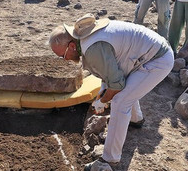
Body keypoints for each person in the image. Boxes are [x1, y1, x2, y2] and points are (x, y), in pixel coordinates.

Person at [49, 14, 174, 169]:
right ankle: (136, 119)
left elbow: (116, 85)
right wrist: (103, 93)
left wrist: (102, 101)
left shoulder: (93, 49)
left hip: (157, 60)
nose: (64, 60)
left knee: (120, 101)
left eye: (62, 55)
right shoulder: (86, 39)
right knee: (127, 92)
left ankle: (109, 159)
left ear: (72, 46)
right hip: (147, 53)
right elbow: (108, 73)